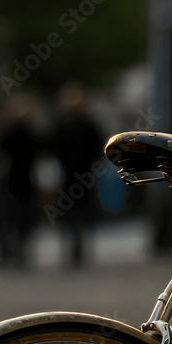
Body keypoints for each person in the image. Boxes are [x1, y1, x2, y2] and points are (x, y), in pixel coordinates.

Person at [54, 82, 103, 266]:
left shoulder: (77, 126)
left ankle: (78, 247)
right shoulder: (69, 126)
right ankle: (76, 248)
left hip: (79, 175)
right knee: (75, 213)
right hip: (76, 176)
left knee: (79, 213)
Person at [0, 95, 41, 265]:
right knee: (20, 217)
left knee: (11, 217)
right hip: (21, 180)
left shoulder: (9, 134)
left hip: (14, 181)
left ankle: (10, 250)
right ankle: (16, 249)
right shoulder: (29, 134)